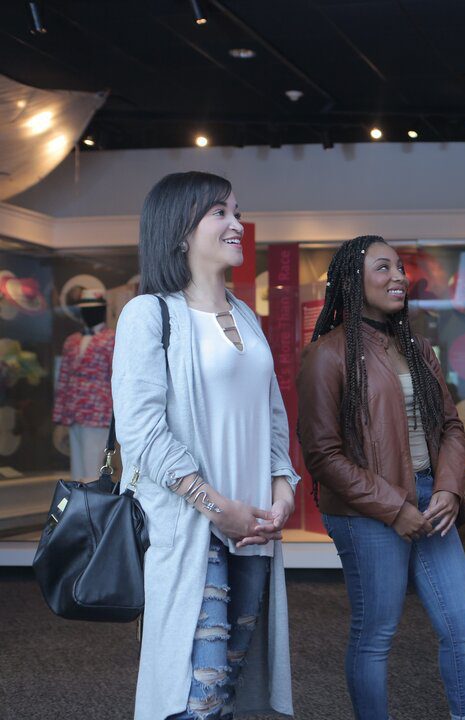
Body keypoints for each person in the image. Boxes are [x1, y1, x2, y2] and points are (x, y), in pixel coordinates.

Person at [112, 171, 300, 719]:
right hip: (194, 527)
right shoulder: (149, 315)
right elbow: (142, 433)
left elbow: (272, 416)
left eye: (236, 211)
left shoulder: (246, 316)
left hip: (255, 526)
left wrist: (282, 491)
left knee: (231, 686)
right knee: (198, 693)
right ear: (180, 229)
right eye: (220, 212)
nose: (237, 224)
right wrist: (218, 507)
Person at [297, 235, 465, 720]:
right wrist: (394, 507)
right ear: (352, 281)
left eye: (400, 268)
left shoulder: (419, 348)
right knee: (376, 633)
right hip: (368, 510)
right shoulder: (327, 354)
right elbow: (321, 454)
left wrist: (447, 486)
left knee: (462, 625)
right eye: (383, 268)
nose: (398, 277)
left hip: (430, 499)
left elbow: (449, 425)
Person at [53, 288, 114, 482]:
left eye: (93, 309)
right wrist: (59, 414)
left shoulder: (112, 338)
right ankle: (78, 507)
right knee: (77, 468)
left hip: (99, 412)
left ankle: (92, 508)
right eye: (85, 310)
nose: (88, 313)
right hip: (74, 412)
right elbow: (63, 378)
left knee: (93, 466)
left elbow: (117, 377)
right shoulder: (71, 341)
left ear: (103, 310)